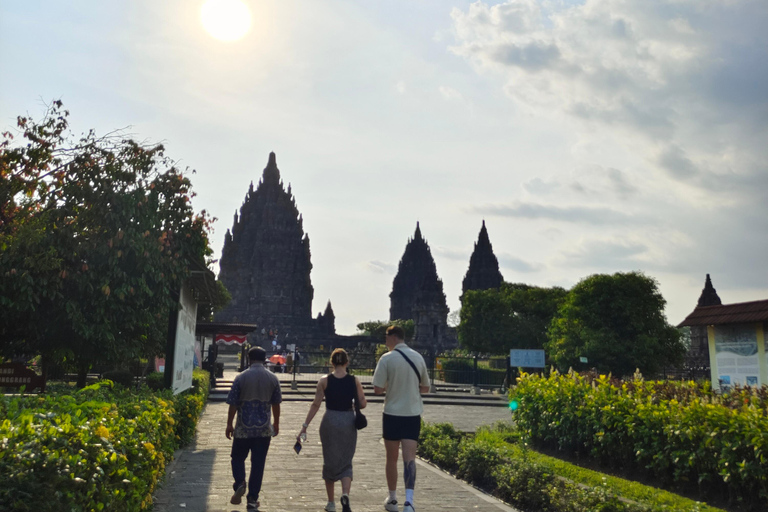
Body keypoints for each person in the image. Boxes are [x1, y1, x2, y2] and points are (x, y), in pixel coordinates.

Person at [298, 348, 367, 512]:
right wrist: (353, 404)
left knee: (329, 460)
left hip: (329, 420)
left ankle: (330, 502)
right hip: (348, 421)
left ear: (331, 362)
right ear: (347, 362)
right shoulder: (354, 380)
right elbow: (363, 403)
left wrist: (305, 426)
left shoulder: (324, 380)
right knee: (346, 460)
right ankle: (345, 494)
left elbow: (316, 404)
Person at [372, 326, 431, 512]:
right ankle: (409, 501)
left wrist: (392, 386)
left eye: (386, 337)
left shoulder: (387, 359)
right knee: (409, 459)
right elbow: (425, 388)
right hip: (412, 413)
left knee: (391, 458)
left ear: (394, 337)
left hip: (392, 414)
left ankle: (392, 498)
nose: (385, 340)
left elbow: (377, 389)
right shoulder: (418, 357)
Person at [226, 346, 282, 511]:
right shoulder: (272, 378)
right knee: (258, 464)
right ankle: (252, 500)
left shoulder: (241, 378)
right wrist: (276, 423)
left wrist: (229, 423)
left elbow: (233, 403)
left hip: (243, 427)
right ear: (264, 359)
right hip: (263, 429)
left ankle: (240, 483)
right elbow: (276, 404)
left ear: (249, 359)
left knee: (237, 458)